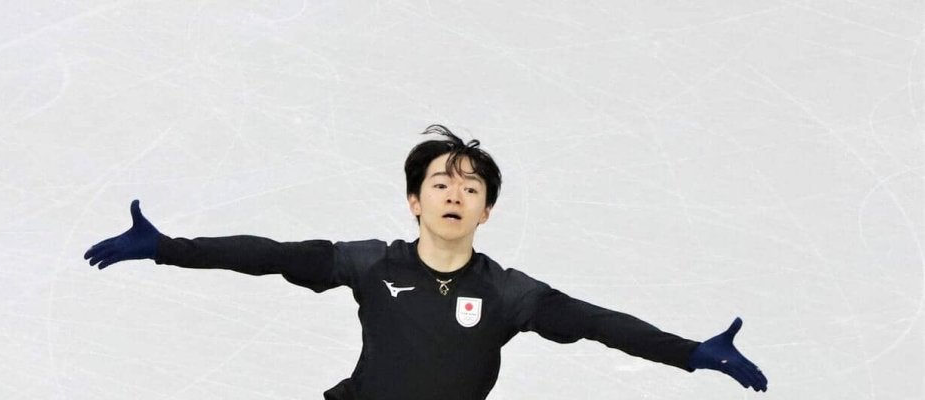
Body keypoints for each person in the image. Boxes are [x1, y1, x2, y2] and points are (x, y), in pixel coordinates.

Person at [84, 125, 768, 399]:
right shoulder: (370, 264)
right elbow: (269, 256)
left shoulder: (509, 294)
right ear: (415, 201)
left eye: (471, 188)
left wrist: (689, 353)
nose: (454, 194)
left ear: (486, 210)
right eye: (441, 183)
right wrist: (167, 248)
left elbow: (600, 324)